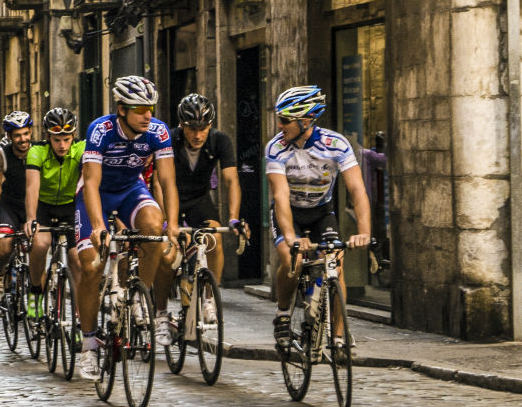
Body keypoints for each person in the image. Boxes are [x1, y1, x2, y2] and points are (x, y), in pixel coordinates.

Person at [74, 76, 181, 381]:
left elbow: (168, 182)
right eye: (139, 109)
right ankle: (89, 345)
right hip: (96, 194)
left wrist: (173, 225)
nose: (148, 115)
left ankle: (138, 297)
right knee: (91, 266)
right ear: (121, 109)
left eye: (150, 108)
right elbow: (91, 182)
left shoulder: (158, 132)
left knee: (154, 228)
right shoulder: (101, 130)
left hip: (130, 190)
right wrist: (98, 226)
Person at [266, 85, 371, 348]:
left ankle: (338, 336)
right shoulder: (276, 147)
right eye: (279, 119)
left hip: (321, 212)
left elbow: (357, 189)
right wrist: (291, 237)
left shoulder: (336, 144)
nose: (279, 125)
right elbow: (280, 195)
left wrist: (364, 231)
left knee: (335, 261)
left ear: (306, 120)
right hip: (289, 212)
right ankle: (282, 313)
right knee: (292, 259)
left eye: (285, 120)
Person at [165, 93, 247, 285]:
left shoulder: (220, 140)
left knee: (214, 238)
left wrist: (234, 218)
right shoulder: (169, 139)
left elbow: (231, 180)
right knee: (168, 255)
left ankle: (211, 293)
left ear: (210, 125)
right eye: (192, 129)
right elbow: (160, 183)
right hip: (172, 198)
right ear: (182, 125)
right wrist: (166, 220)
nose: (198, 135)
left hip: (199, 200)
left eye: (203, 129)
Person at [24, 107, 84, 310]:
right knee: (40, 244)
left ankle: (80, 316)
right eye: (56, 140)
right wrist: (31, 218)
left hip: (71, 206)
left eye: (66, 139)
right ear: (48, 136)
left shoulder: (81, 149)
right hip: (44, 206)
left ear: (73, 136)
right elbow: (32, 187)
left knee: (77, 258)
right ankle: (35, 292)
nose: (62, 145)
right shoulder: (37, 152)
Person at [0, 111, 34, 303]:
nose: (23, 139)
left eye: (26, 133)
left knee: (38, 247)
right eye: (17, 135)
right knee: (5, 246)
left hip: (32, 205)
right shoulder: (1, 156)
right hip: (9, 206)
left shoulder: (39, 152)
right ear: (9, 136)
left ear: (31, 132)